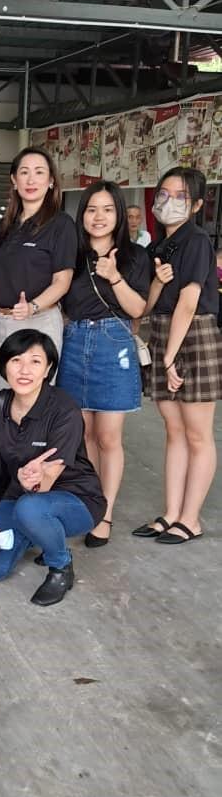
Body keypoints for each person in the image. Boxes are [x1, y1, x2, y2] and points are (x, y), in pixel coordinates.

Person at [0, 329, 106, 606]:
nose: (24, 370)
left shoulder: (64, 411)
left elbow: (44, 484)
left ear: (48, 369)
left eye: (35, 361)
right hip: (18, 496)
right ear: (4, 365)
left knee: (30, 508)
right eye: (16, 360)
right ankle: (34, 535)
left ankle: (60, 566)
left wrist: (30, 480)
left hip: (74, 499)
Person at [57, 181, 150, 546]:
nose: (99, 217)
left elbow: (138, 309)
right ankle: (88, 503)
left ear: (119, 215)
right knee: (82, 436)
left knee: (108, 437)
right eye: (92, 209)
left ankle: (105, 514)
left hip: (114, 343)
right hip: (74, 341)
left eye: (107, 209)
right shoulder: (73, 254)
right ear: (82, 215)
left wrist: (114, 277)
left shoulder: (134, 257)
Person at [133, 167, 222, 544]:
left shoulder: (197, 240)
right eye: (164, 194)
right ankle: (171, 513)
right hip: (162, 331)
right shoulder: (157, 246)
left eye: (181, 196)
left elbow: (189, 300)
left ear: (198, 204)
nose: (169, 202)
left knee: (198, 434)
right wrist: (156, 281)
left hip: (193, 335)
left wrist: (169, 358)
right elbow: (147, 307)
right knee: (174, 431)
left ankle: (191, 518)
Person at [0, 147, 77, 389]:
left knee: (34, 401)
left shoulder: (61, 225)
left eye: (39, 172)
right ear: (14, 181)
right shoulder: (6, 226)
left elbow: (62, 282)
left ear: (50, 181)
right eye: (24, 172)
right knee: (4, 399)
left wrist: (33, 306)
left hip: (38, 322)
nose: (31, 179)